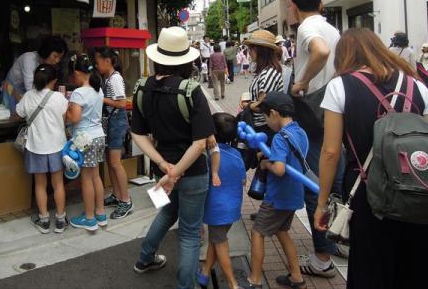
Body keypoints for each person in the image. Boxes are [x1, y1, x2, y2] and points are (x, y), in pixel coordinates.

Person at [315, 28, 428, 289]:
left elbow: (330, 152)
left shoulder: (340, 86)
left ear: (344, 56)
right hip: (418, 190)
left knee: (370, 270)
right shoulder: (416, 84)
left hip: (368, 190)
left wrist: (321, 203)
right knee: (416, 270)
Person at [131, 27, 215, 289]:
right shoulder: (191, 91)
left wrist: (162, 166)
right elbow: (200, 143)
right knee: (190, 233)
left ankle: (145, 258)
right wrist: (175, 172)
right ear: (187, 60)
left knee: (167, 212)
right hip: (191, 173)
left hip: (161, 171)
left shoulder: (142, 88)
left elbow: (138, 133)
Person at [289, 0, 344, 277]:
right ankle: (337, 239)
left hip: (312, 111)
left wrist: (302, 81)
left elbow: (320, 53)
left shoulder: (306, 27)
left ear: (294, 7)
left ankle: (321, 258)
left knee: (315, 185)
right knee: (335, 181)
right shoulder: (334, 29)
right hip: (335, 109)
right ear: (321, 4)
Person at [247, 92, 309, 289]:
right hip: (294, 194)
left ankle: (254, 279)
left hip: (278, 197)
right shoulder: (300, 132)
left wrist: (266, 165)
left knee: (257, 232)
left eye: (266, 117)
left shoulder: (280, 138)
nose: (266, 122)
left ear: (273, 113)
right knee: (282, 232)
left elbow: (280, 169)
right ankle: (296, 277)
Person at [15, 64, 69, 234]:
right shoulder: (59, 98)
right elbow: (65, 119)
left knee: (40, 184)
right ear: (54, 81)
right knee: (58, 184)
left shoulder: (28, 96)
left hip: (36, 146)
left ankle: (44, 220)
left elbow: (18, 113)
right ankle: (60, 220)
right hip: (57, 146)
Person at [197, 113, 246, 289]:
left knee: (220, 242)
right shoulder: (236, 155)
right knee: (216, 240)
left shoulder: (207, 155)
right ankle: (204, 274)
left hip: (216, 209)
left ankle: (233, 284)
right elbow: (243, 180)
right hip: (232, 209)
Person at [66, 54, 107, 232]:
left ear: (76, 73)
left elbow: (74, 118)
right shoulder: (98, 90)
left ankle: (89, 218)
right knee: (96, 175)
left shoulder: (78, 93)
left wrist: (65, 111)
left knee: (86, 178)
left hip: (85, 139)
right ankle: (100, 213)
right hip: (99, 136)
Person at [95, 47, 133, 220]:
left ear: (107, 61)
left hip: (116, 123)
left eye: (98, 62)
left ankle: (126, 200)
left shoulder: (115, 78)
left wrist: (100, 99)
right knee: (111, 162)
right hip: (111, 123)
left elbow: (122, 103)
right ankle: (117, 195)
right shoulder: (108, 78)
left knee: (116, 163)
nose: (97, 65)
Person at [1, 35, 68, 112]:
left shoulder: (48, 65)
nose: (57, 61)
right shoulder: (29, 59)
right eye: (55, 56)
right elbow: (29, 87)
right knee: (14, 118)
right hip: (12, 92)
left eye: (60, 58)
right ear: (47, 51)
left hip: (27, 93)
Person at [244, 30, 284, 138]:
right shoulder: (264, 71)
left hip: (265, 129)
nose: (249, 52)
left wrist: (248, 105)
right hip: (261, 127)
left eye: (251, 49)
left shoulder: (268, 73)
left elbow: (263, 105)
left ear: (261, 50)